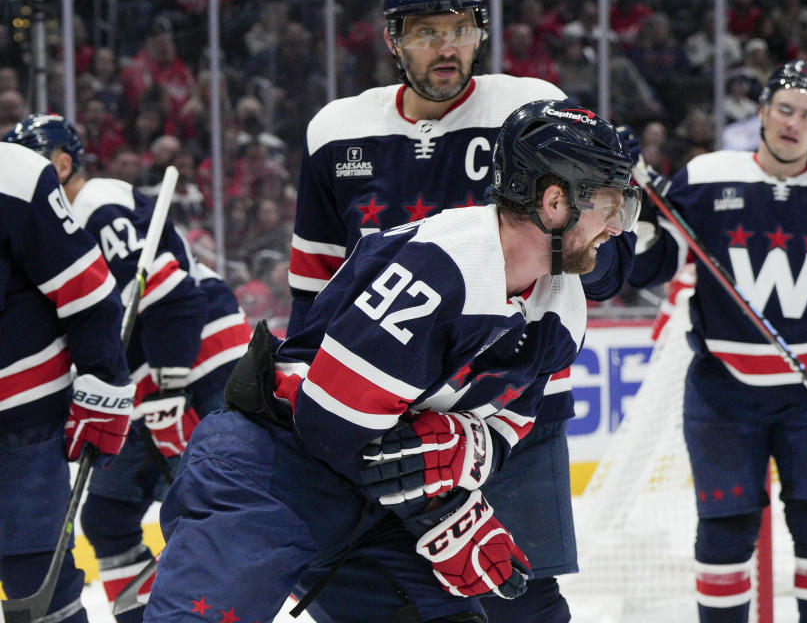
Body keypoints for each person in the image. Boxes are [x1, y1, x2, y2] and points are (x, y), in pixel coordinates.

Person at [142, 99, 640, 623]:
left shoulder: (564, 303)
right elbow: (332, 425)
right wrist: (448, 512)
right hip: (271, 472)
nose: (618, 228)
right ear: (555, 201)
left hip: (369, 509)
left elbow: (513, 420)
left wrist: (464, 451)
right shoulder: (440, 267)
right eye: (609, 206)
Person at [287, 0, 637, 620]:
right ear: (393, 40)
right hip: (381, 416)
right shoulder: (336, 132)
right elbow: (315, 286)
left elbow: (607, 266)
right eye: (425, 32)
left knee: (522, 599)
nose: (446, 47)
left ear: (481, 33)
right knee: (395, 601)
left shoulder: (533, 108)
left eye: (460, 29)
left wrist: (592, 236)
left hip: (513, 405)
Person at [629, 60, 807, 623]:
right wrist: (631, 215)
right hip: (724, 391)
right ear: (761, 112)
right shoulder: (706, 176)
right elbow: (655, 264)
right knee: (724, 534)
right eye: (785, 109)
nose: (794, 122)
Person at [4, 114, 253, 623]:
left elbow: (171, 294)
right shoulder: (48, 228)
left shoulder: (96, 204)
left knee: (210, 505)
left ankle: (218, 609)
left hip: (201, 371)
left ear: (62, 162)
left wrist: (169, 383)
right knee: (108, 517)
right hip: (144, 387)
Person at [0, 140, 134, 623]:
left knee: (34, 582)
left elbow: (88, 291)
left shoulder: (12, 175)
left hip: (19, 418)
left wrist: (104, 380)